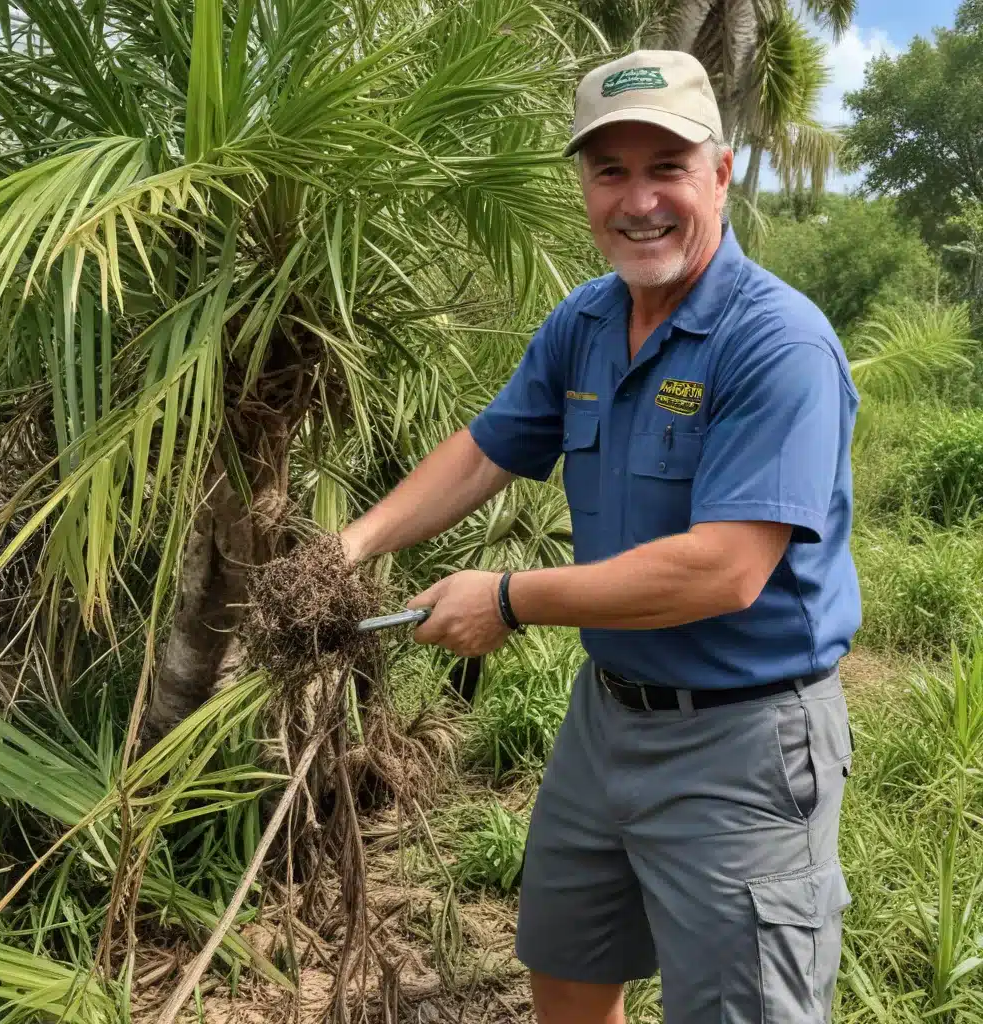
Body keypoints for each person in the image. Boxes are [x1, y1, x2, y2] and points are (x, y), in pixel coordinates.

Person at [339, 48, 860, 1024]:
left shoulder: (776, 344)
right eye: (609, 170)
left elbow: (726, 569)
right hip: (607, 718)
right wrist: (349, 547)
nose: (638, 200)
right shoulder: (584, 322)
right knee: (568, 978)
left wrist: (507, 597)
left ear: (720, 172)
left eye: (665, 167)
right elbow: (486, 450)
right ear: (583, 183)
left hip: (743, 738)